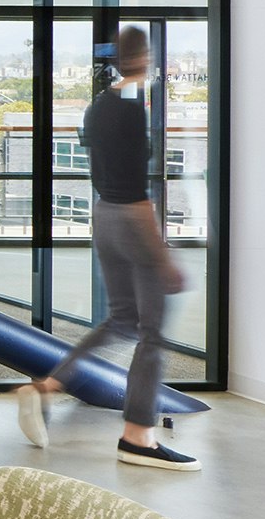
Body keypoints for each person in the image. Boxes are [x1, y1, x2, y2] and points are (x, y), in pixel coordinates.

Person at [16, 28, 194, 469]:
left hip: (104, 215)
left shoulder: (98, 107)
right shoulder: (132, 111)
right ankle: (138, 436)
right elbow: (137, 189)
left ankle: (47, 386)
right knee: (151, 333)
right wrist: (163, 255)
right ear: (142, 58)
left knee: (121, 320)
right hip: (132, 218)